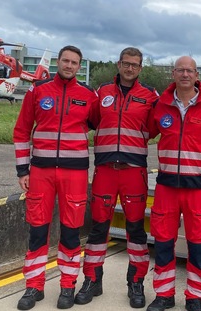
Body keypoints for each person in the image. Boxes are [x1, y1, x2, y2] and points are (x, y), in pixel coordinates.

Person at [13, 45, 98, 310]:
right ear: (58, 62)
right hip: (41, 172)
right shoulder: (38, 91)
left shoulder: (88, 96)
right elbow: (21, 131)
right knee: (37, 230)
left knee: (71, 232)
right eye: (65, 60)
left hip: (75, 173)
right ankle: (33, 286)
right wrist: (22, 170)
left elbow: (100, 124)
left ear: (79, 66)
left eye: (74, 62)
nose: (69, 65)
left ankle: (67, 286)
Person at [74, 47, 159, 308]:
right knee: (98, 228)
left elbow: (155, 129)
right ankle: (92, 280)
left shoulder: (150, 97)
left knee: (135, 231)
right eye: (126, 63)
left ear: (140, 68)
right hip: (106, 171)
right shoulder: (102, 93)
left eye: (135, 65)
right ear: (119, 64)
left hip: (134, 172)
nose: (130, 68)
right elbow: (92, 120)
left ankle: (135, 284)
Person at [146, 56, 201, 311]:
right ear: (173, 74)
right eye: (180, 70)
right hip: (167, 188)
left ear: (197, 75)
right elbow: (144, 132)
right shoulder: (160, 105)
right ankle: (164, 295)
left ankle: (194, 297)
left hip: (199, 189)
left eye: (189, 70)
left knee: (197, 245)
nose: (184, 74)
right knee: (162, 242)